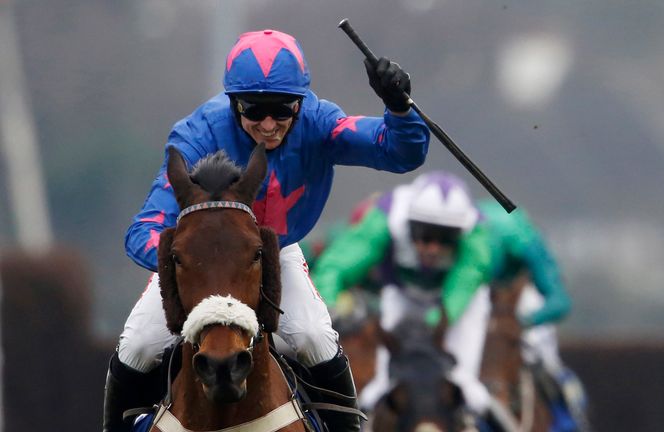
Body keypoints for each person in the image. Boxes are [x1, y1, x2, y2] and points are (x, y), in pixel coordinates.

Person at [103, 29, 430, 432]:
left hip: (277, 251)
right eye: (255, 110)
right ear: (233, 103)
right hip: (202, 258)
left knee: (313, 337)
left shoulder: (321, 123)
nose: (270, 124)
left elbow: (398, 151)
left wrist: (398, 109)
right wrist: (186, 256)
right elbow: (146, 227)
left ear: (301, 102)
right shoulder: (197, 135)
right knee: (138, 346)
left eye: (283, 109)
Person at [311, 171, 497, 419]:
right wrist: (327, 305)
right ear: (409, 224)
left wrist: (429, 328)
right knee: (384, 383)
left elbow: (461, 288)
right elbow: (337, 265)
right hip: (402, 294)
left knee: (464, 384)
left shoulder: (476, 233)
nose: (433, 248)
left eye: (445, 239)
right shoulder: (384, 217)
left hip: (460, 306)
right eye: (425, 235)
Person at [478, 199, 589, 431]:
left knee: (547, 365)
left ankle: (568, 419)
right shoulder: (459, 233)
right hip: (475, 300)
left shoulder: (524, 240)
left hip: (520, 303)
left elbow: (560, 302)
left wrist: (523, 322)